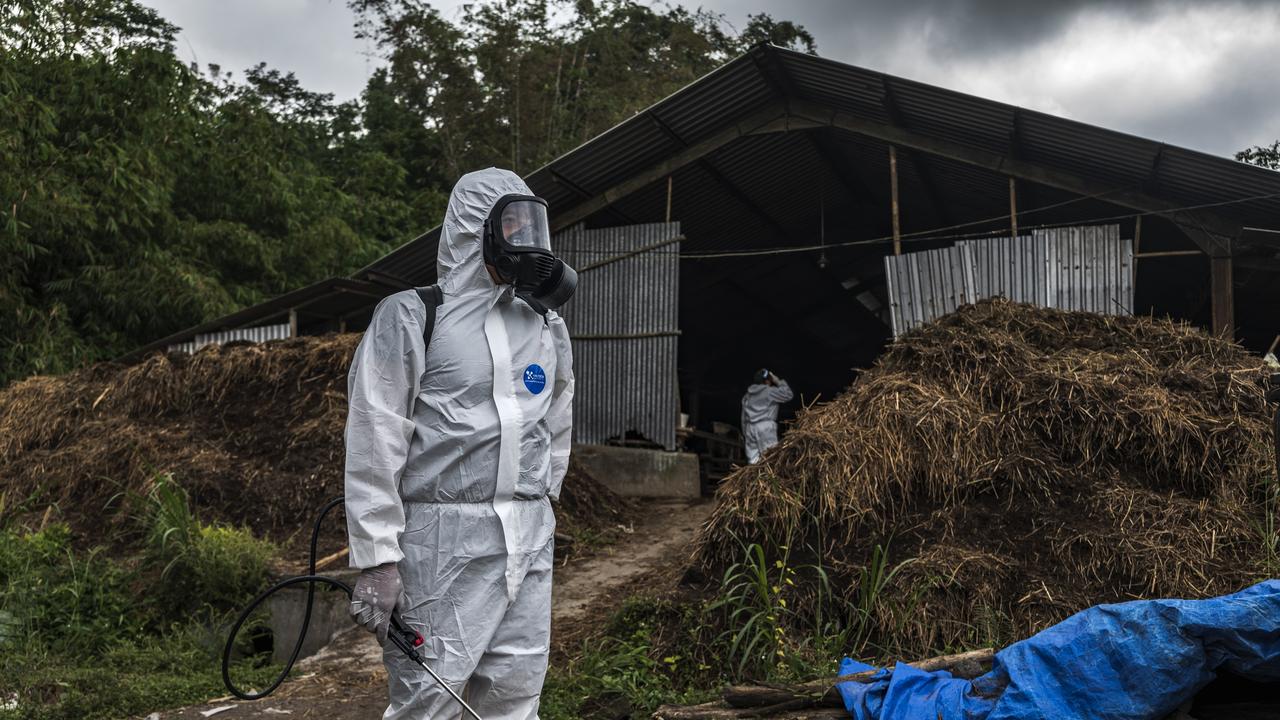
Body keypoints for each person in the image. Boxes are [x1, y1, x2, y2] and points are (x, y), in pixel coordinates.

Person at [343, 167, 576, 719]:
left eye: (530, 224)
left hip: (527, 534)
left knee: (517, 694)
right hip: (440, 542)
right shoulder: (412, 316)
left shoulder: (543, 323)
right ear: (477, 228)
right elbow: (375, 435)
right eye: (512, 224)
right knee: (430, 701)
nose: (525, 239)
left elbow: (556, 417)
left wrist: (545, 499)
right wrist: (378, 557)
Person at [740, 368, 793, 464]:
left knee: (753, 462)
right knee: (771, 458)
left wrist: (745, 434)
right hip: (766, 427)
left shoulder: (747, 396)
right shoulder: (769, 392)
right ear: (768, 381)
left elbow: (743, 418)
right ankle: (771, 478)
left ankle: (756, 478)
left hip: (750, 428)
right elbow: (788, 394)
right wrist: (778, 381)